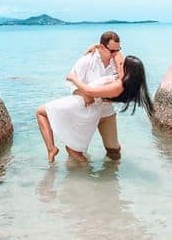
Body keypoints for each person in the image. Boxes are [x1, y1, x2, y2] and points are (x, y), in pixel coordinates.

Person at [36, 32, 122, 163]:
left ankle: (111, 174)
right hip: (86, 111)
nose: (115, 54)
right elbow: (71, 83)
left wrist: (107, 96)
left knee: (114, 151)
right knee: (76, 154)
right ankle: (77, 174)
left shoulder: (117, 63)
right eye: (112, 51)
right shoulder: (86, 60)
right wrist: (83, 94)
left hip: (106, 112)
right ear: (102, 47)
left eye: (118, 50)